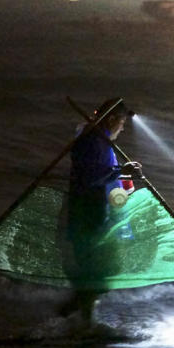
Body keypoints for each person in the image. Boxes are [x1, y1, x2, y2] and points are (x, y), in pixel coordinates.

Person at [62, 98, 142, 323]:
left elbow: (104, 173)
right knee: (100, 273)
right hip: (88, 213)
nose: (123, 127)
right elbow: (91, 178)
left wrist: (123, 172)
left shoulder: (100, 141)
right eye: (122, 122)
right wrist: (120, 172)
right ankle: (69, 312)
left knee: (94, 273)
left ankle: (84, 324)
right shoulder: (91, 141)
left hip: (96, 213)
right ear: (112, 119)